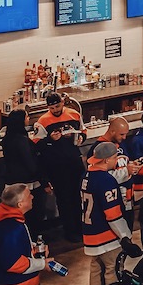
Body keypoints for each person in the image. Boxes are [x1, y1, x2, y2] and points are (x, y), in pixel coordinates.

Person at [81, 141, 141, 285]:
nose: (117, 160)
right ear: (107, 159)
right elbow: (113, 215)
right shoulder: (106, 181)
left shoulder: (87, 177)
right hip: (107, 237)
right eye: (115, 157)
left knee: (95, 269)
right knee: (113, 269)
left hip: (90, 234)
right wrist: (125, 237)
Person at [34, 95, 86, 242]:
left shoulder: (74, 114)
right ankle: (70, 231)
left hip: (74, 162)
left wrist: (81, 137)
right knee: (64, 200)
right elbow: (36, 145)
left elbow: (83, 130)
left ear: (62, 103)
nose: (55, 110)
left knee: (78, 197)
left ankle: (80, 228)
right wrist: (51, 139)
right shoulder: (43, 121)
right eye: (51, 108)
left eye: (57, 107)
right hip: (56, 165)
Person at [0, 111, 43, 231]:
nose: (28, 119)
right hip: (27, 184)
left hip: (12, 182)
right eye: (27, 117)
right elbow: (30, 163)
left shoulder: (7, 139)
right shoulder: (22, 140)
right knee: (32, 218)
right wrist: (42, 179)